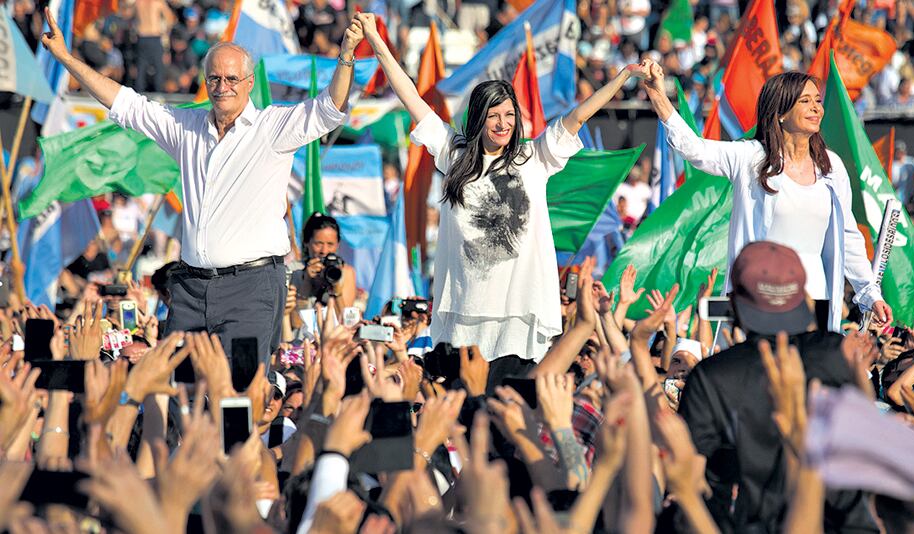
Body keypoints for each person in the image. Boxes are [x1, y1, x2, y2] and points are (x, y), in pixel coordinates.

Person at [39, 8, 363, 365]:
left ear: (249, 82)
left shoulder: (272, 128)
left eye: (232, 79)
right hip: (191, 288)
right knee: (176, 381)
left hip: (251, 286)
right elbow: (125, 103)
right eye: (214, 79)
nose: (222, 87)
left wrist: (346, 55)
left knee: (243, 386)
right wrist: (66, 58)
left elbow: (330, 108)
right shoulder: (186, 126)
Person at [356, 12, 642, 374]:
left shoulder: (534, 157)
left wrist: (622, 76)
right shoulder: (453, 154)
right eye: (494, 115)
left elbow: (577, 117)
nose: (503, 123)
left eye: (509, 115)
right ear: (479, 118)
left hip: (518, 317)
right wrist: (376, 41)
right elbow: (410, 96)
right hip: (464, 314)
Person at [639, 60, 892, 332]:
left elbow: (848, 237)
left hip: (815, 302)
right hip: (761, 298)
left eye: (817, 101)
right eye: (805, 101)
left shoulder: (831, 167)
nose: (816, 108)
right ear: (780, 112)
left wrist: (870, 294)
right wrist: (658, 96)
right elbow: (695, 150)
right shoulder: (750, 157)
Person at [676, 241, 878, 533]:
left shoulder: (711, 375)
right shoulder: (838, 355)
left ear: (734, 302)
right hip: (841, 523)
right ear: (803, 297)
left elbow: (690, 477)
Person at [292, 214, 357, 309]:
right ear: (306, 242)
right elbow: (297, 317)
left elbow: (344, 316)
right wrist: (306, 281)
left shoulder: (345, 272)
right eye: (318, 244)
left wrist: (336, 288)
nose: (324, 251)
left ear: (338, 245)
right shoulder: (295, 272)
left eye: (330, 244)